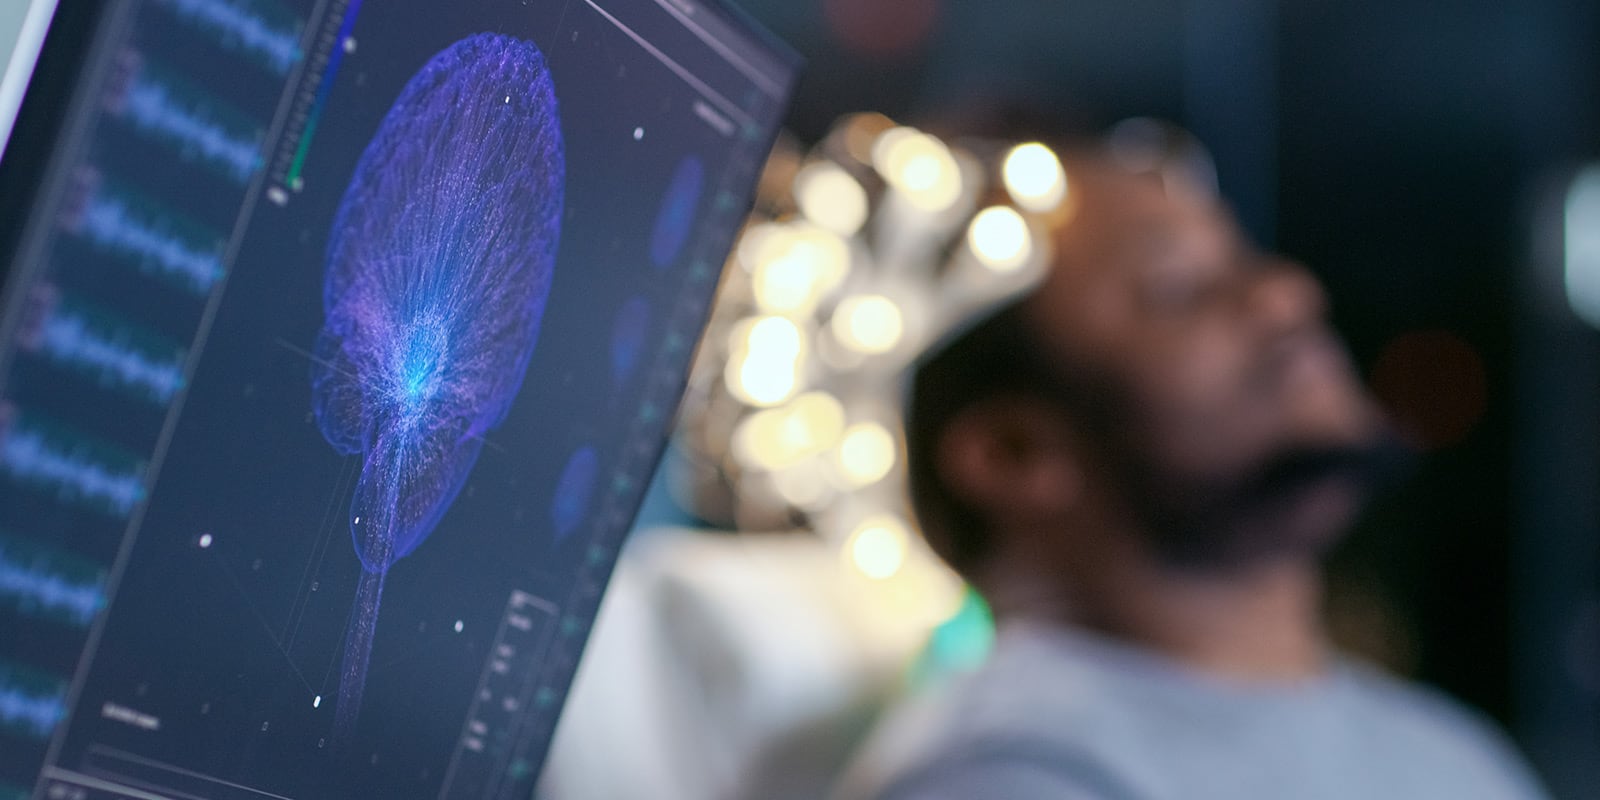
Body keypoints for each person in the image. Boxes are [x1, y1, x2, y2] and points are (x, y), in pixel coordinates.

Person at [831, 148, 1550, 799]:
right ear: (1016, 454)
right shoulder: (1006, 776)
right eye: (1177, 288)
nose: (1286, 294)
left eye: (1244, 264)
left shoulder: (1448, 750)